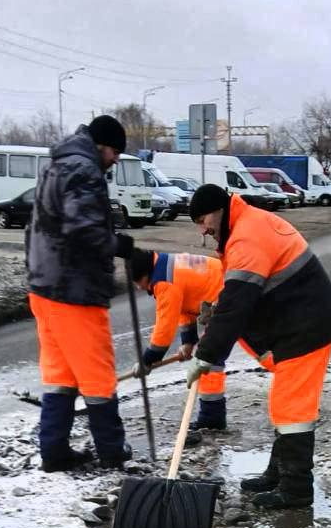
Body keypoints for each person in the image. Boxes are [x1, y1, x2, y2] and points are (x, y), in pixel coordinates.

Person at [185, 184, 331, 509]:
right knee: (284, 406)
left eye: (203, 220)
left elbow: (238, 303)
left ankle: (296, 490)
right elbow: (240, 297)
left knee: (292, 410)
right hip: (299, 326)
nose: (204, 229)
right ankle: (278, 474)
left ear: (219, 209)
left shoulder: (247, 236)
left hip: (306, 329)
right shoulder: (246, 226)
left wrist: (205, 355)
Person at [26, 115, 135, 472]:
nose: (116, 160)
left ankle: (54, 451)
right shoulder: (84, 170)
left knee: (60, 375)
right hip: (74, 289)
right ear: (102, 145)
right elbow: (83, 227)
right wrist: (117, 244)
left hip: (44, 285)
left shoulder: (57, 165)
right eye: (115, 152)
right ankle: (112, 451)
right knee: (98, 374)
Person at [129, 247, 228, 431]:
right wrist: (188, 341)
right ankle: (212, 417)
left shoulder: (164, 281)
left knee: (209, 360)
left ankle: (212, 420)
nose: (139, 287)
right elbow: (183, 306)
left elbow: (164, 327)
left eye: (138, 282)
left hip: (227, 299)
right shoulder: (165, 265)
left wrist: (148, 360)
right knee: (209, 359)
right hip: (221, 295)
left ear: (145, 275)